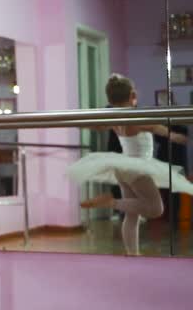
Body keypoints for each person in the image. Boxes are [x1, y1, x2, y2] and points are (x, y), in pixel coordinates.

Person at [72, 73, 191, 256]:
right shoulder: (137, 118)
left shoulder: (113, 118)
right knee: (155, 208)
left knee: (132, 214)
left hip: (123, 167)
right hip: (137, 168)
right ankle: (111, 202)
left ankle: (132, 254)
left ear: (110, 100)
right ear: (132, 96)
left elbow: (96, 126)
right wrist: (177, 136)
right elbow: (160, 129)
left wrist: (78, 121)